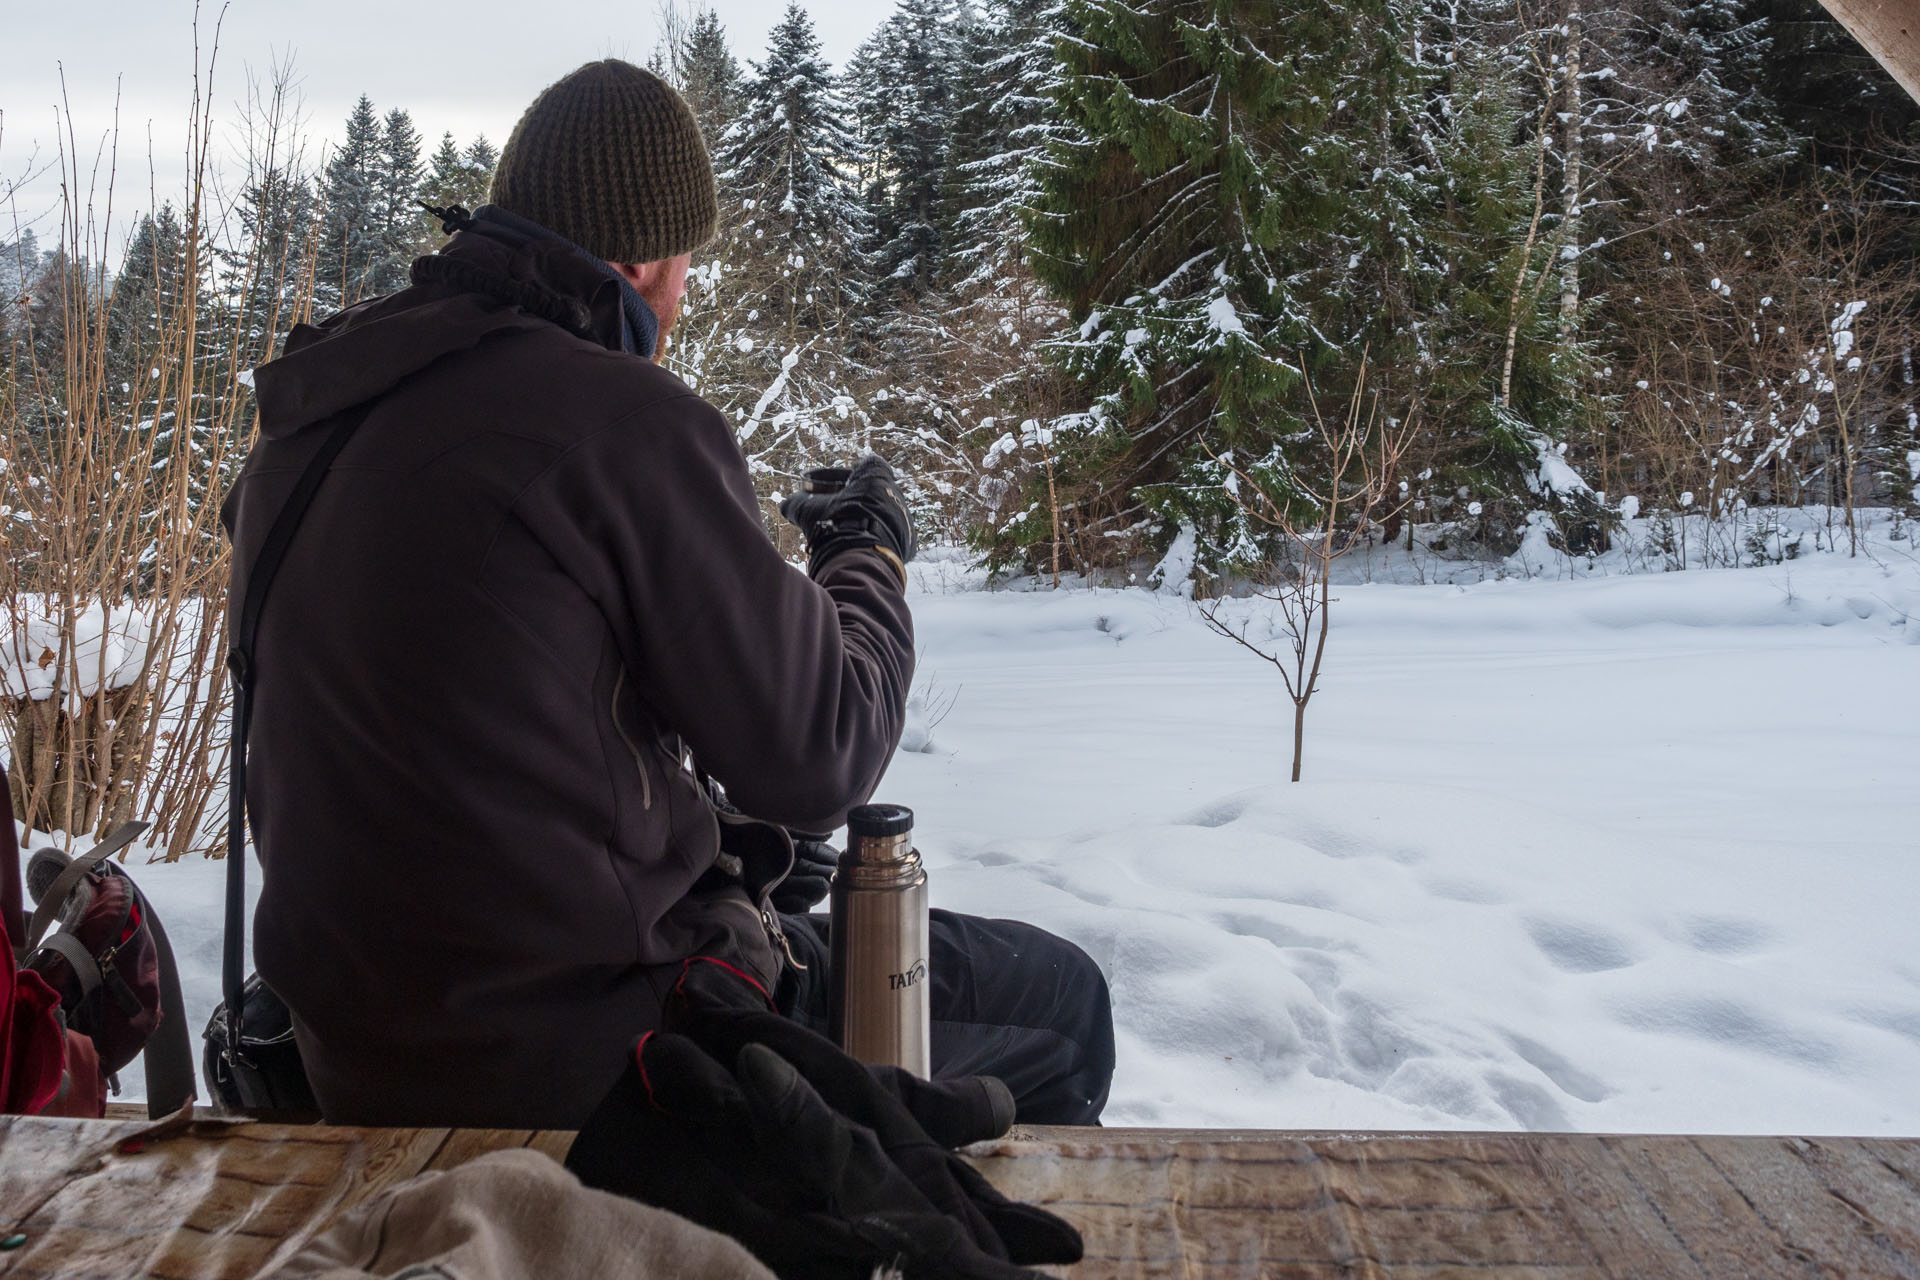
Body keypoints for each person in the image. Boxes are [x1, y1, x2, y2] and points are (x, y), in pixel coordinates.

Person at [221, 59, 1114, 1131]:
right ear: (642, 258)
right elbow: (822, 748)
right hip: (594, 1062)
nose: (686, 291)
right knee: (1064, 1002)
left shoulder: (313, 423)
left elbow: (488, 725)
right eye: (688, 258)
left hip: (357, 1048)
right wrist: (865, 557)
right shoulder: (612, 420)